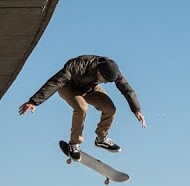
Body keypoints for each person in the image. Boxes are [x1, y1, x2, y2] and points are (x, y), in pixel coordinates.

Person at [18, 54, 147, 160]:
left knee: (110, 109)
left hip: (90, 89)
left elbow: (127, 90)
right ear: (98, 71)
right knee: (82, 107)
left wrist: (137, 110)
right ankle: (74, 144)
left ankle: (101, 139)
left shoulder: (113, 70)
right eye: (104, 80)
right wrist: (34, 101)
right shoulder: (78, 66)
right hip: (68, 87)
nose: (105, 82)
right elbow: (56, 81)